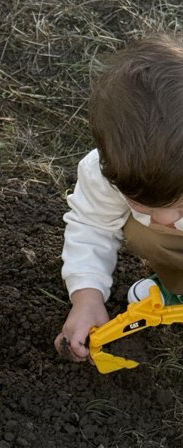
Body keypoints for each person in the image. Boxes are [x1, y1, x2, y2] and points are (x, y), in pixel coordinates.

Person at [55, 33, 183, 363]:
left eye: (180, 205)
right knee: (151, 235)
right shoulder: (107, 172)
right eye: (143, 204)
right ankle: (177, 288)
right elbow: (91, 227)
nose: (164, 220)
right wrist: (87, 297)